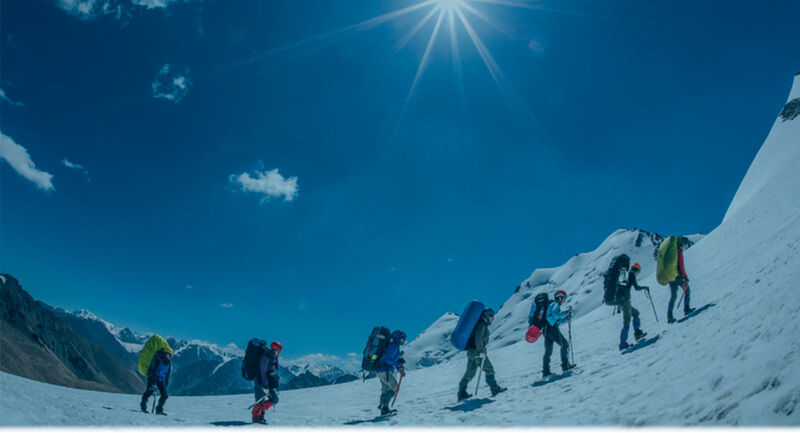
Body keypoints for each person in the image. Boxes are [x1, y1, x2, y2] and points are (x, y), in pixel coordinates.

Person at [457, 308, 507, 401]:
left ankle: (461, 393)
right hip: (477, 352)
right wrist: (481, 351)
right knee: (489, 369)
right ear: (486, 316)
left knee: (469, 373)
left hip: (471, 352)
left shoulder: (479, 325)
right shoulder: (482, 325)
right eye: (491, 316)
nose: (492, 318)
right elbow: (478, 338)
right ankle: (494, 389)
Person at [542, 290, 576, 377]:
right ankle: (565, 366)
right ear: (559, 297)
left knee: (548, 352)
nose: (564, 300)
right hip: (552, 329)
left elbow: (556, 320)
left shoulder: (551, 305)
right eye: (564, 298)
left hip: (546, 330)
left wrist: (565, 318)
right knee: (565, 345)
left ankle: (546, 371)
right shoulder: (555, 304)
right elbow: (556, 315)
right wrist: (566, 312)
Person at [618, 263, 648, 350]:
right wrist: (644, 287)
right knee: (627, 321)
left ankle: (637, 333)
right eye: (637, 272)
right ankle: (623, 344)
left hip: (621, 301)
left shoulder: (625, 275)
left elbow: (619, 289)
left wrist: (619, 307)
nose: (637, 274)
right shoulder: (631, 274)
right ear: (636, 270)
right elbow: (636, 287)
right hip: (626, 300)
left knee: (635, 313)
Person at [376, 330, 407, 415]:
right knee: (394, 387)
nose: (403, 341)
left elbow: (393, 360)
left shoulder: (394, 347)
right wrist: (398, 364)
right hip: (385, 370)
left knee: (385, 389)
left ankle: (384, 409)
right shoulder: (393, 346)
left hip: (381, 370)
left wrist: (400, 367)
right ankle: (383, 405)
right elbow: (388, 360)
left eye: (404, 340)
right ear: (397, 338)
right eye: (402, 339)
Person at [251, 341, 282, 424]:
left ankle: (261, 412)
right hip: (260, 381)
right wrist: (264, 385)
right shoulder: (266, 357)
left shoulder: (273, 357)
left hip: (268, 382)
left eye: (279, 351)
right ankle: (256, 417)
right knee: (260, 400)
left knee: (275, 399)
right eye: (278, 350)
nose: (279, 352)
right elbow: (262, 371)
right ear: (274, 349)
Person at [668, 238, 695, 323]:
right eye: (682, 246)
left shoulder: (671, 255)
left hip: (670, 278)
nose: (682, 248)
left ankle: (670, 316)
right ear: (679, 246)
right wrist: (685, 277)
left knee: (673, 297)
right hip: (678, 277)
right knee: (687, 291)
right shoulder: (678, 253)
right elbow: (681, 267)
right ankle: (686, 309)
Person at [140, 348, 173, 415]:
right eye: (169, 355)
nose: (170, 357)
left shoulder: (168, 363)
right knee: (149, 392)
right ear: (165, 354)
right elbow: (153, 371)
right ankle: (143, 406)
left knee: (165, 395)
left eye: (171, 356)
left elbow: (167, 374)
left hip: (160, 380)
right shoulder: (158, 360)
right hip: (152, 378)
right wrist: (154, 383)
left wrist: (166, 383)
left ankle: (159, 410)